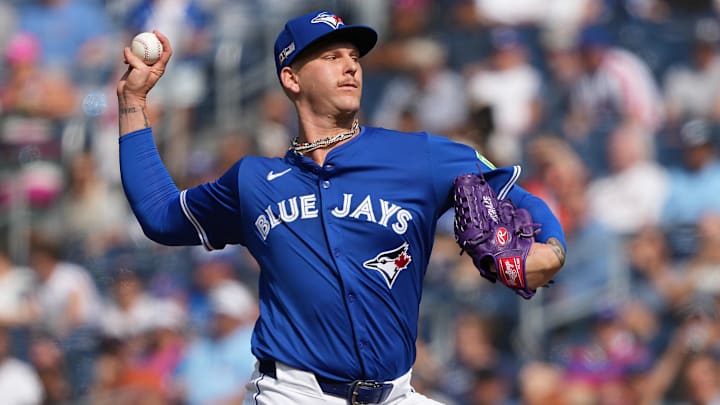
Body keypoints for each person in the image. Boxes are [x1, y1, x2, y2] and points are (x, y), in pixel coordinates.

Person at [116, 10, 566, 404]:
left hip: (394, 393)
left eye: (353, 57)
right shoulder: (253, 181)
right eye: (330, 57)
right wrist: (133, 103)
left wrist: (552, 250)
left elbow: (517, 196)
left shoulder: (418, 156)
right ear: (291, 77)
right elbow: (160, 215)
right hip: (293, 393)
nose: (350, 66)